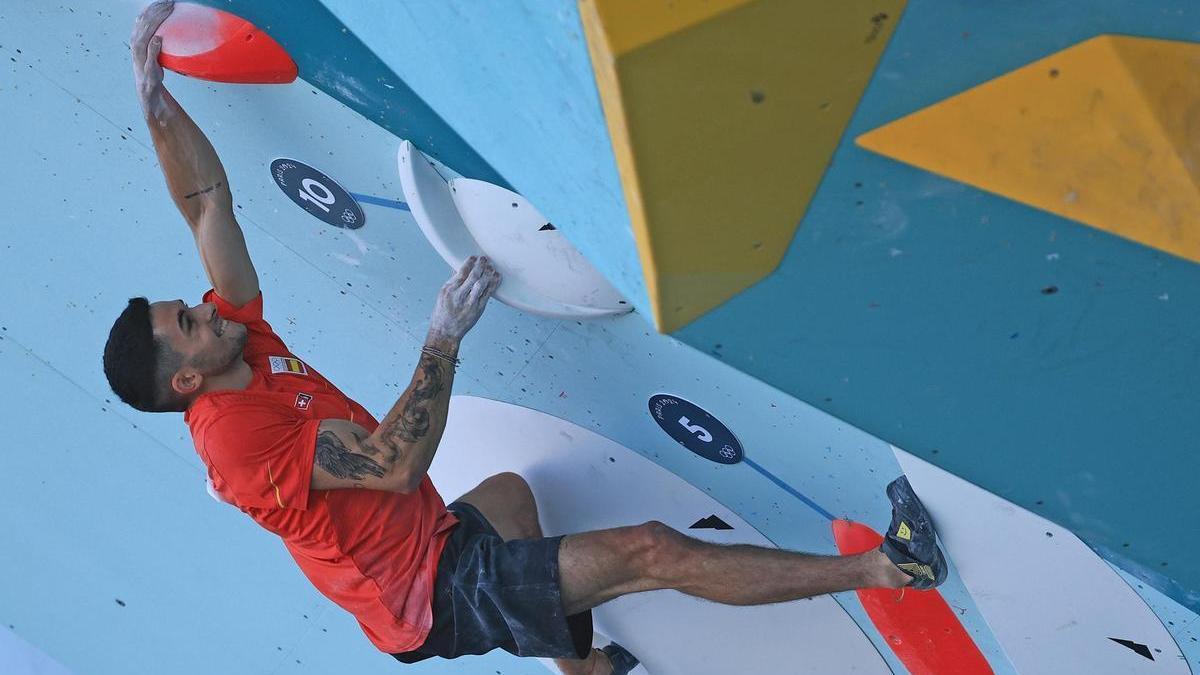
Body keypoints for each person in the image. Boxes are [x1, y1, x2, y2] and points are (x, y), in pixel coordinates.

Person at [104, 3, 948, 673]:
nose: (208, 311)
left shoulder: (236, 340)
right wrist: (443, 337)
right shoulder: (241, 441)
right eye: (190, 323)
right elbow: (395, 465)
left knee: (509, 496)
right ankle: (891, 570)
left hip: (427, 545)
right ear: (185, 380)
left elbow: (206, 201)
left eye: (193, 307)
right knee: (651, 551)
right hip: (432, 596)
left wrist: (152, 99)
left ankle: (579, 670)